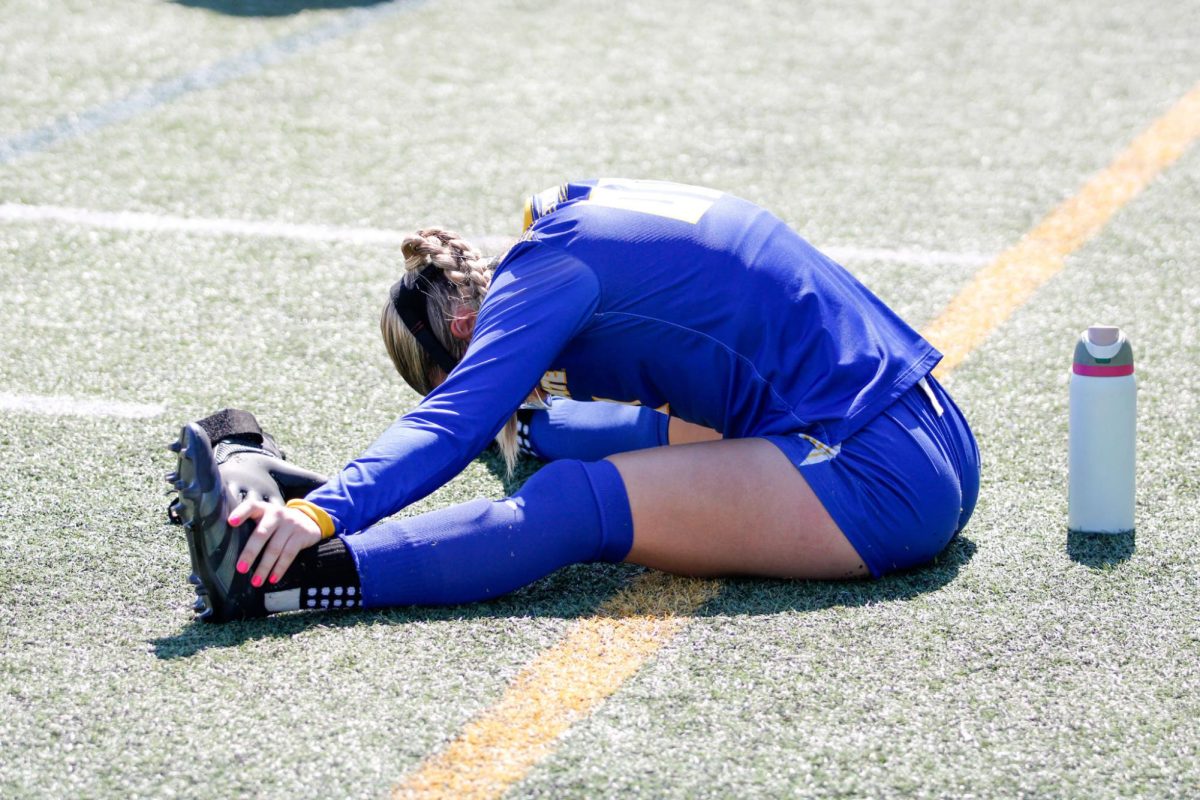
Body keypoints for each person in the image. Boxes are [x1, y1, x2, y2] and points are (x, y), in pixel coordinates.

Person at [170, 179, 979, 622]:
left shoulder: (541, 280)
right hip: (929, 435)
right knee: (589, 452)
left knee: (572, 504)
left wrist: (326, 513)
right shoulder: (572, 223)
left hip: (872, 474)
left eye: (462, 364)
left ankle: (287, 581)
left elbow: (457, 422)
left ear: (463, 322)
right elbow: (669, 424)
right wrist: (533, 431)